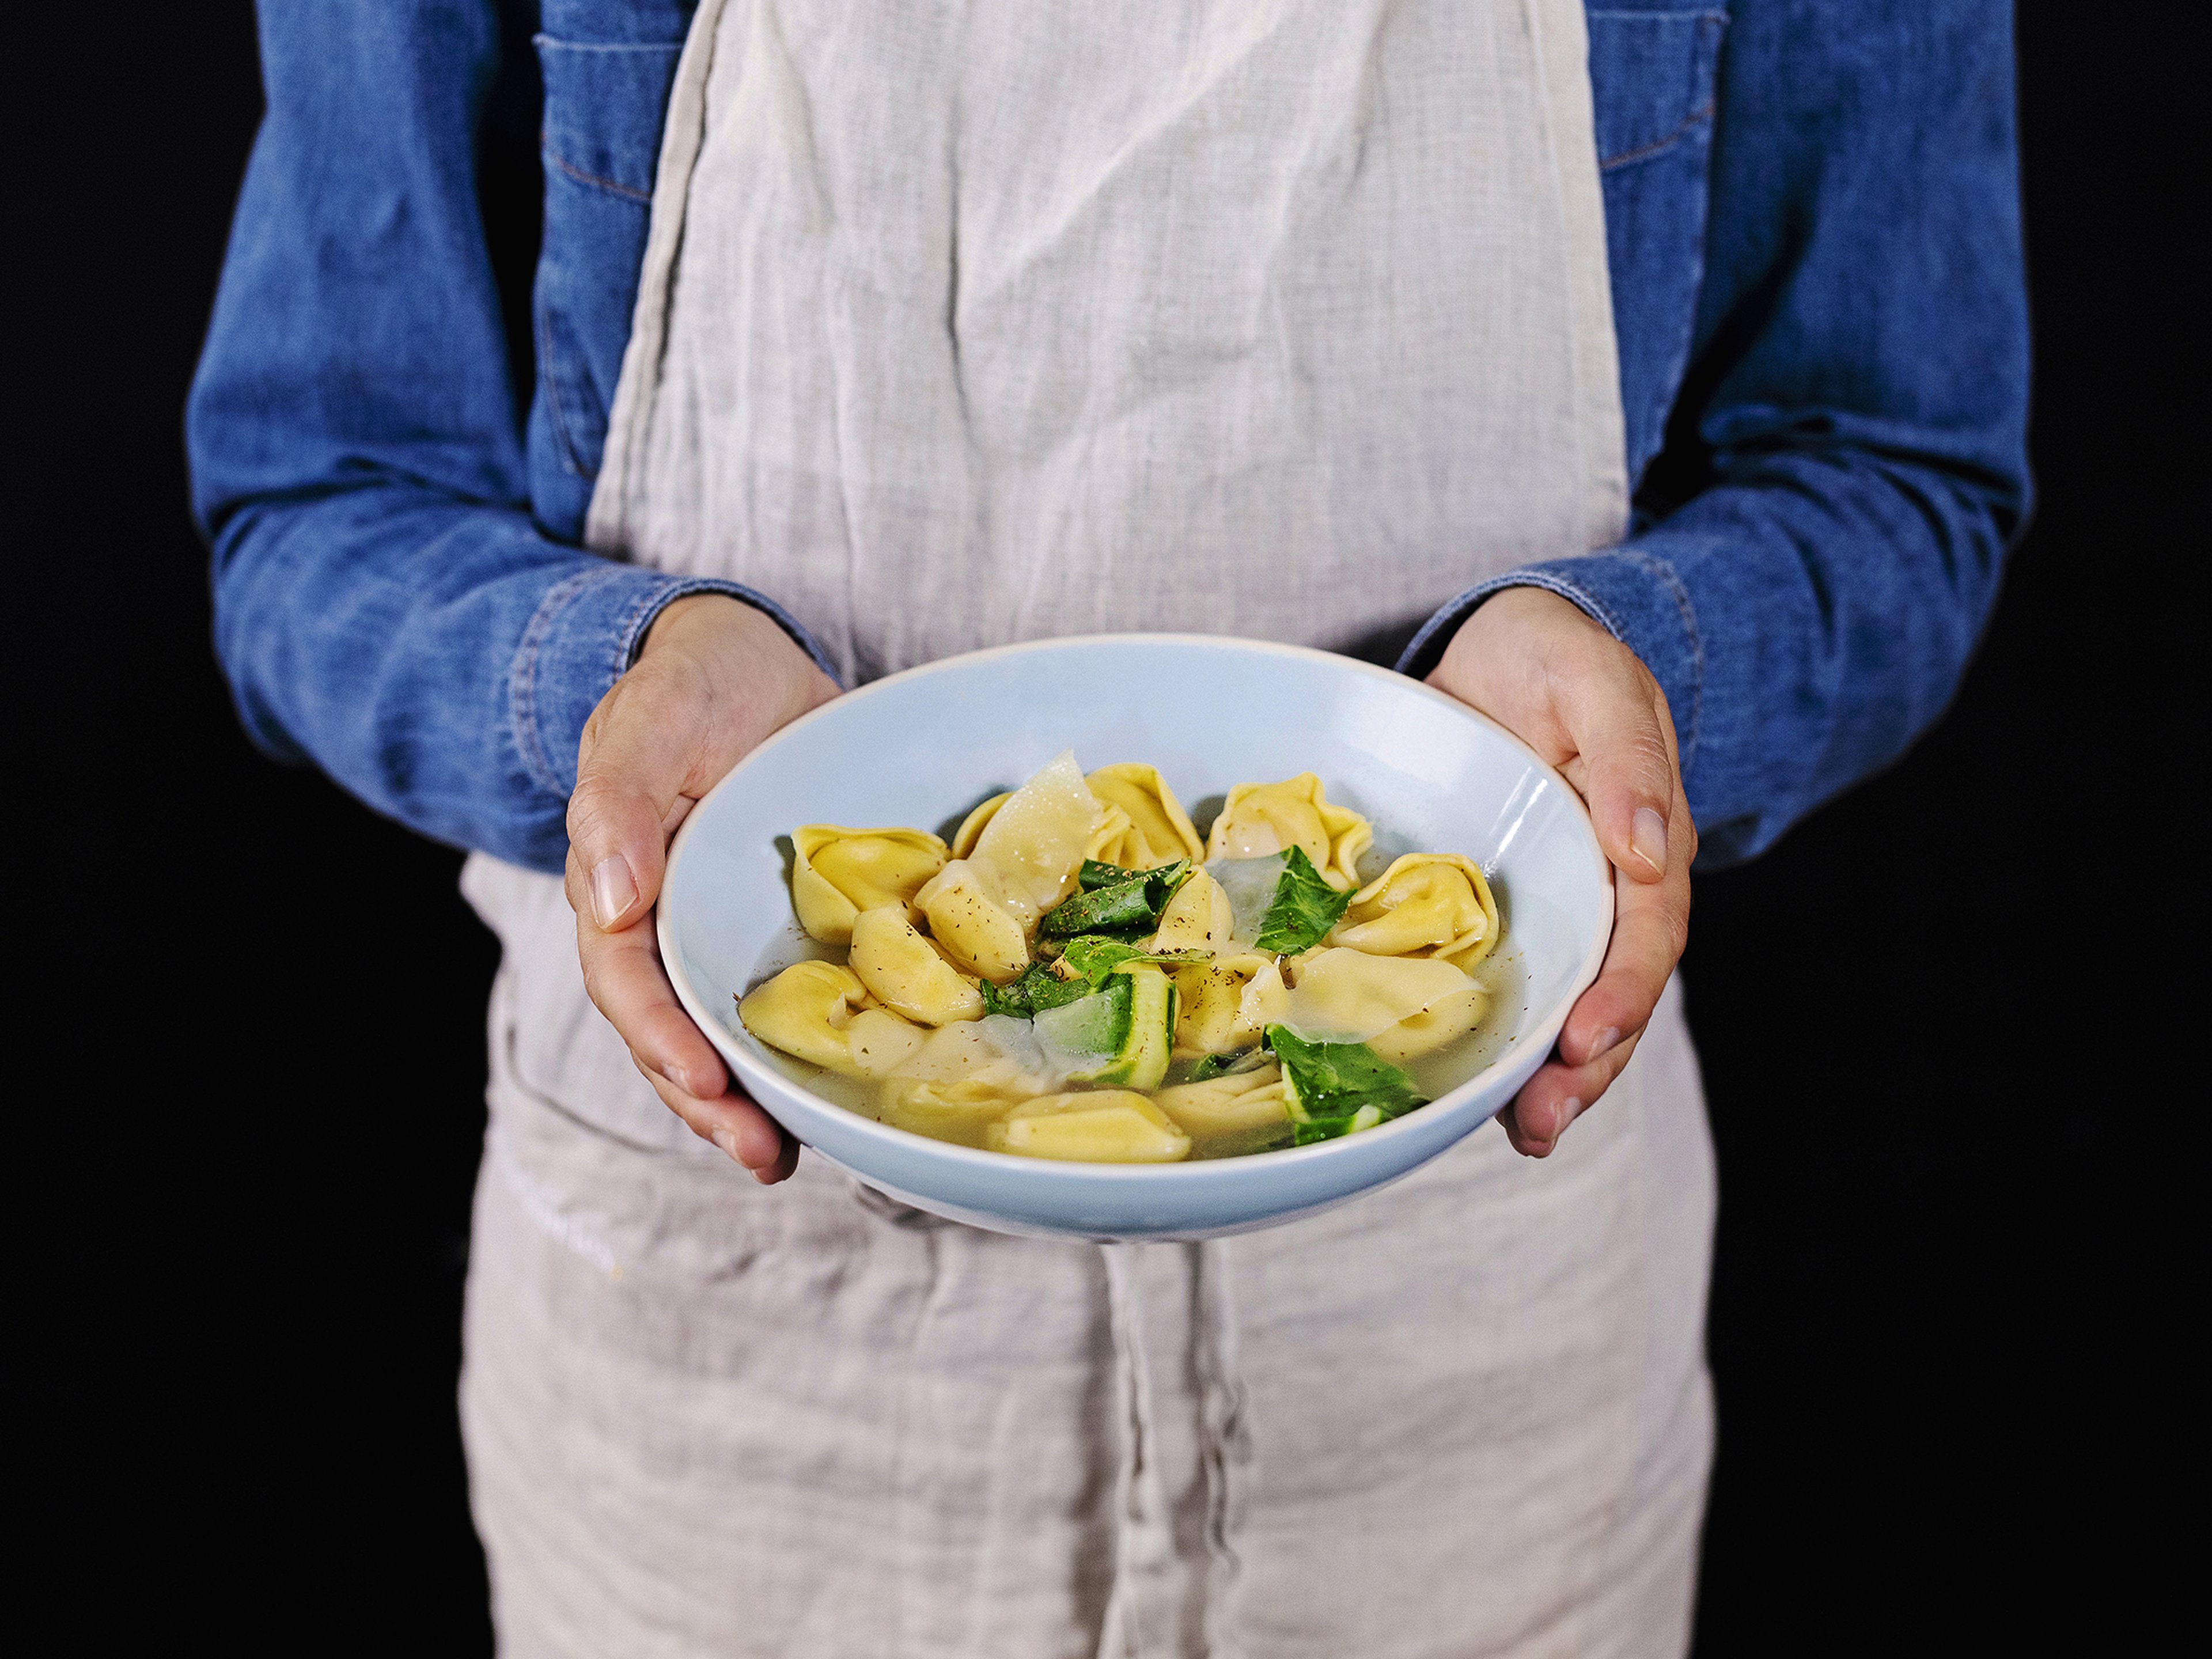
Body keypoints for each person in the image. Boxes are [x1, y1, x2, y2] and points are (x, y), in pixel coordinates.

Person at [188, 1, 2028, 1652]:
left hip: (1480, 1384)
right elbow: (319, 497)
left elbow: (1895, 467)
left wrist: (1634, 681)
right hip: (731, 1396)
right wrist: (599, 684)